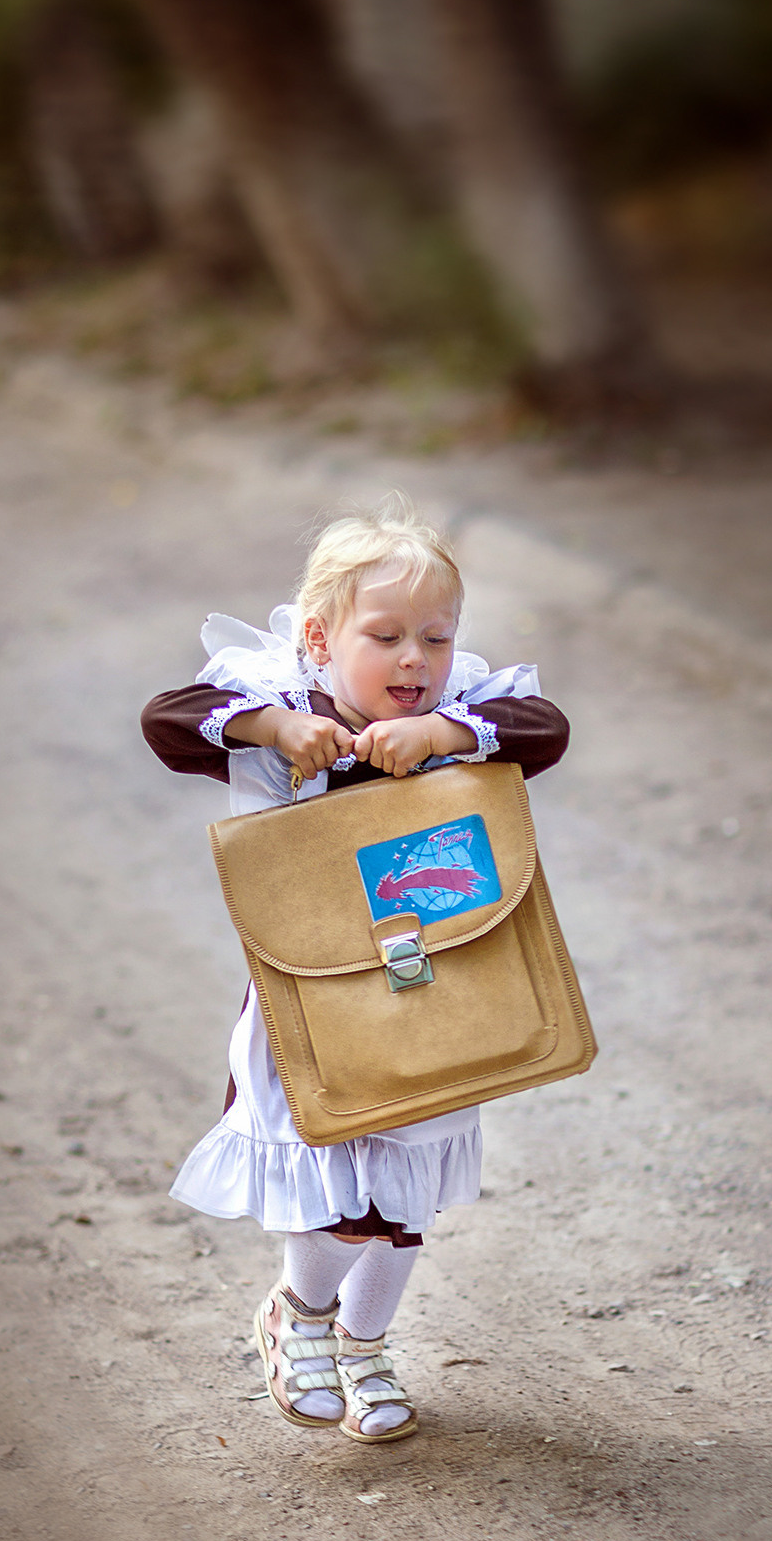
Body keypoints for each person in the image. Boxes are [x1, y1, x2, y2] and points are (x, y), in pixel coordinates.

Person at [141, 500, 568, 1442]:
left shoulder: (465, 714)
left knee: (403, 1187)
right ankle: (299, 1318)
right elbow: (166, 721)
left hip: (439, 989)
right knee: (338, 1176)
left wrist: (444, 740)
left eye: (435, 637)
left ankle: (368, 1344)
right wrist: (267, 730)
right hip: (317, 1000)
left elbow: (544, 730)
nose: (414, 658)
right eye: (384, 637)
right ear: (319, 638)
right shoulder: (282, 712)